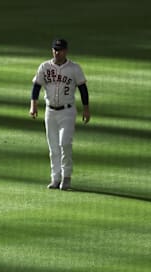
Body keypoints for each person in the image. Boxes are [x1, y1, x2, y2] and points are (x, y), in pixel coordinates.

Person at [30, 39, 90, 190]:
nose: (57, 52)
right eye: (55, 50)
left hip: (68, 111)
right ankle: (55, 178)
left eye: (60, 50)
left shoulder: (74, 68)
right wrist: (34, 105)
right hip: (50, 111)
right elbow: (37, 86)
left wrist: (86, 109)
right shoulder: (45, 67)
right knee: (53, 147)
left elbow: (83, 88)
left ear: (66, 51)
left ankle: (67, 176)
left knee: (65, 143)